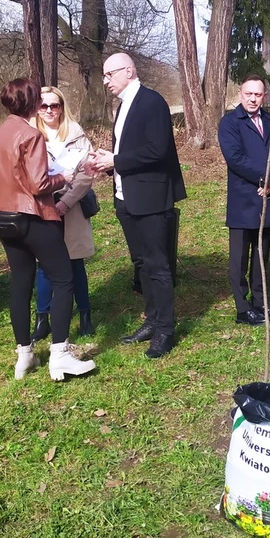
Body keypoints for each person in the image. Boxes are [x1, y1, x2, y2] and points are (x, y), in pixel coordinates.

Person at [0, 78, 96, 381]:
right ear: (33, 103)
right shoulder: (30, 135)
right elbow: (39, 184)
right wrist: (66, 176)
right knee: (63, 279)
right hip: (34, 217)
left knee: (20, 285)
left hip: (4, 219)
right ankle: (59, 355)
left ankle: (25, 355)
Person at [89, 52, 186, 359]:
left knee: (158, 265)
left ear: (128, 71)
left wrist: (116, 159)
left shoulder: (152, 102)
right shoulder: (123, 106)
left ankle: (166, 331)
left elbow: (158, 150)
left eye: (109, 75)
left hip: (151, 199)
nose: (106, 82)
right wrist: (107, 163)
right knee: (141, 263)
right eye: (104, 76)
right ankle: (152, 319)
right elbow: (132, 150)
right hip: (125, 198)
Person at [218, 74, 270, 325]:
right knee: (239, 258)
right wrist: (265, 177)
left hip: (268, 197)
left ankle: (261, 304)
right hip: (243, 199)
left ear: (264, 96)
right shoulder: (230, 123)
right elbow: (235, 158)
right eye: (248, 94)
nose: (253, 98)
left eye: (258, 94)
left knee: (261, 254)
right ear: (240, 94)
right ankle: (242, 308)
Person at [32, 85, 96, 342]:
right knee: (44, 265)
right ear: (37, 108)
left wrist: (66, 202)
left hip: (72, 205)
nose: (49, 110)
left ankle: (85, 315)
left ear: (62, 107)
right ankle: (42, 319)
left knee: (75, 263)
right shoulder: (29, 134)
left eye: (54, 105)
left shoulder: (77, 133)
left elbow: (87, 173)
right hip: (41, 207)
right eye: (43, 105)